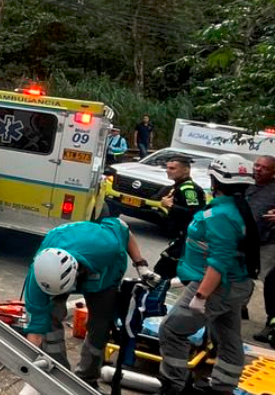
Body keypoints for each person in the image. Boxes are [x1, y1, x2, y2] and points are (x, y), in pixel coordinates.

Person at [158, 154, 261, 395]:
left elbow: (219, 261)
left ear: (215, 180)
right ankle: (223, 388)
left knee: (172, 330)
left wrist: (201, 296)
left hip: (215, 287)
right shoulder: (236, 209)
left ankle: (174, 386)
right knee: (227, 335)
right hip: (234, 285)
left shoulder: (221, 216)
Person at [21, 217, 157, 388]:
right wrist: (30, 369)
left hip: (105, 278)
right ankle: (58, 378)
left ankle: (87, 380)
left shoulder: (106, 244)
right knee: (49, 318)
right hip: (64, 268)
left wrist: (141, 264)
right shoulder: (39, 277)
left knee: (100, 326)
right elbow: (36, 328)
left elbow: (122, 227)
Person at [154, 156, 207, 281]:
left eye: (172, 168)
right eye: (167, 168)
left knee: (163, 271)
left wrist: (171, 205)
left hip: (188, 238)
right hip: (180, 236)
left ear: (185, 170)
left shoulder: (188, 189)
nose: (168, 170)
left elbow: (195, 213)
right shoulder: (178, 186)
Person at [248, 156, 275, 343]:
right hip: (246, 241)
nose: (258, 169)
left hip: (268, 242)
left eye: (264, 168)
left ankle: (271, 322)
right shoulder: (247, 186)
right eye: (257, 165)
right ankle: (238, 309)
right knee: (241, 275)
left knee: (270, 281)